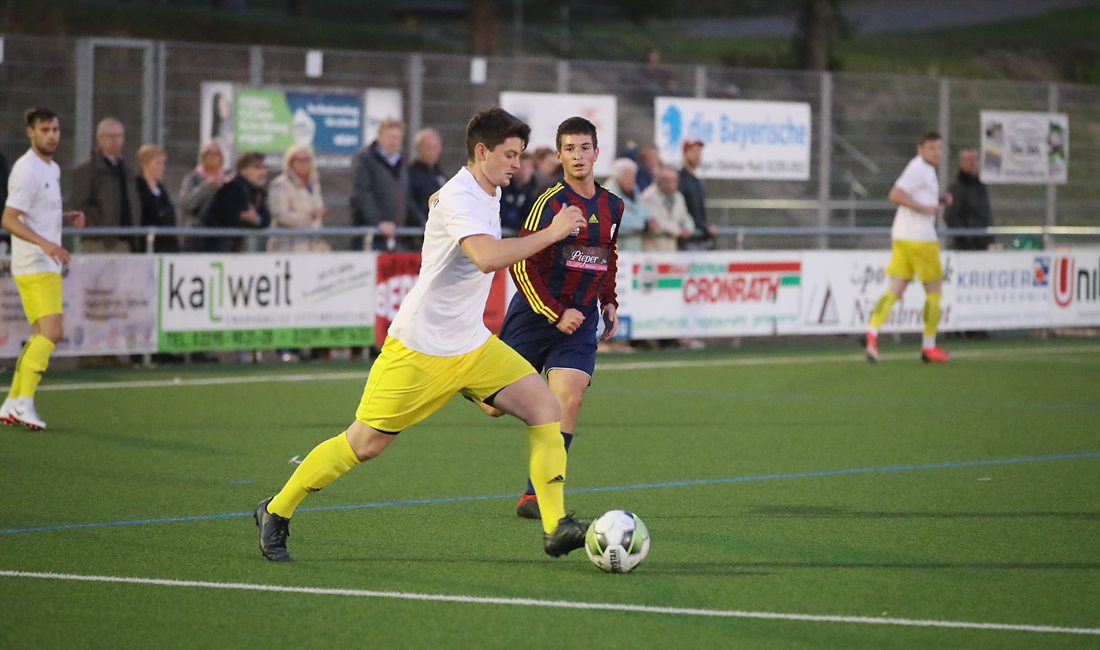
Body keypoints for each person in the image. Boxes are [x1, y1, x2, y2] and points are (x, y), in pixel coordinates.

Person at [254, 107, 590, 563]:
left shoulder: (482, 190)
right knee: (364, 444)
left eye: (520, 155)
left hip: (472, 345)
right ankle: (276, 510)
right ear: (482, 151)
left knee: (546, 409)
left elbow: (447, 207)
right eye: (510, 155)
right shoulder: (460, 196)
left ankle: (555, 527)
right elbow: (487, 257)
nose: (517, 163)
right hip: (420, 348)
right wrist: (552, 233)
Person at [474, 116, 623, 520]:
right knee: (491, 406)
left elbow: (607, 255)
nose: (578, 156)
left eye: (584, 148)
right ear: (559, 155)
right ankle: (465, 376)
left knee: (569, 398)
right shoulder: (549, 203)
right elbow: (522, 265)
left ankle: (535, 496)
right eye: (569, 149)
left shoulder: (613, 205)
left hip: (580, 321)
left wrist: (608, 300)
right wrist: (556, 313)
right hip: (536, 315)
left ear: (596, 152)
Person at [0, 108, 85, 430]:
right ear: (30, 133)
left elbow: (37, 213)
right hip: (35, 263)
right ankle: (25, 403)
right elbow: (9, 219)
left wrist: (65, 218)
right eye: (45, 130)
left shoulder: (52, 168)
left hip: (44, 263)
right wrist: (46, 244)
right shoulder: (26, 170)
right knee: (52, 332)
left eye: (55, 129)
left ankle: (12, 403)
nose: (52, 135)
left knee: (40, 334)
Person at [865, 131, 953, 364]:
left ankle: (871, 334)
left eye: (939, 148)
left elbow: (915, 197)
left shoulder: (923, 169)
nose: (937, 152)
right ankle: (929, 347)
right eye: (932, 148)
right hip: (921, 239)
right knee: (934, 292)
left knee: (894, 290)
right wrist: (924, 209)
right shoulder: (918, 169)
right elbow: (896, 195)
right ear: (920, 149)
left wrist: (937, 201)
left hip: (902, 237)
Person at [71, 118, 140, 253]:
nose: (116, 140)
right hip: (98, 243)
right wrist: (99, 229)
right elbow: (80, 206)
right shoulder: (87, 169)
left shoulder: (127, 171)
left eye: (119, 136)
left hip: (126, 242)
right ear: (99, 138)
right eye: (111, 136)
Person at [350, 118, 411, 251]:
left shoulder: (403, 162)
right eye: (390, 137)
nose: (394, 141)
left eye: (397, 138)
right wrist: (378, 222)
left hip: (397, 235)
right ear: (380, 136)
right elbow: (363, 193)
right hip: (371, 236)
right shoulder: (366, 159)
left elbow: (407, 197)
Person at [197, 151, 271, 254]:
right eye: (257, 167)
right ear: (244, 170)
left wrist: (256, 219)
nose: (263, 172)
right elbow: (230, 218)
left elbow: (266, 218)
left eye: (264, 168)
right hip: (217, 247)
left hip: (233, 248)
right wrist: (245, 218)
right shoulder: (232, 187)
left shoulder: (258, 190)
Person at [266, 144, 329, 253]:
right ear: (290, 162)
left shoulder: (314, 183)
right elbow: (280, 215)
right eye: (300, 160)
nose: (304, 164)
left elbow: (317, 210)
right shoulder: (280, 184)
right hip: (288, 246)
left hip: (312, 245)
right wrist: (309, 216)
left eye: (307, 160)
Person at [943, 148, 993, 251]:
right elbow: (950, 216)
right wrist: (966, 238)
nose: (973, 163)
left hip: (983, 244)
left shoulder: (980, 187)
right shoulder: (957, 188)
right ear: (961, 163)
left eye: (975, 159)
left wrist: (989, 239)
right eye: (969, 160)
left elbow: (985, 215)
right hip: (965, 248)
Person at [134, 144, 179, 253]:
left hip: (166, 246)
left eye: (163, 163)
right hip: (145, 246)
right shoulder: (137, 188)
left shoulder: (162, 190)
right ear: (145, 165)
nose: (162, 167)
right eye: (158, 163)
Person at [641, 164, 694, 252]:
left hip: (671, 247)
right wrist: (679, 231)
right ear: (658, 180)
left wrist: (688, 228)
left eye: (674, 180)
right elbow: (657, 221)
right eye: (667, 180)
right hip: (653, 247)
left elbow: (684, 216)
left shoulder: (678, 196)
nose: (671, 184)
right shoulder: (649, 196)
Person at [178, 140, 226, 233]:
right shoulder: (193, 178)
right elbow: (186, 203)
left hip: (222, 232)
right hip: (197, 231)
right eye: (209, 153)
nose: (213, 157)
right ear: (203, 156)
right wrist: (207, 185)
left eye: (217, 154)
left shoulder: (227, 179)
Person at [678, 139, 719, 250]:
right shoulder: (680, 179)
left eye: (699, 151)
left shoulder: (697, 181)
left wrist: (705, 227)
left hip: (699, 237)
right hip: (686, 238)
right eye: (693, 151)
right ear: (685, 154)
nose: (698, 155)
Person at [604, 157, 649, 252]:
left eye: (633, 176)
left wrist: (648, 221)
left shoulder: (634, 190)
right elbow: (619, 219)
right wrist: (642, 223)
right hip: (617, 247)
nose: (632, 180)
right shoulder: (607, 194)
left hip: (635, 245)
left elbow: (644, 211)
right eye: (628, 176)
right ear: (618, 177)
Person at [406, 127, 447, 230]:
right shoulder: (409, 173)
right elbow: (408, 202)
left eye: (435, 147)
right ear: (418, 148)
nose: (432, 152)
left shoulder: (441, 175)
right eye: (428, 147)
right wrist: (422, 222)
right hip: (418, 231)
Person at [500, 150, 537, 233]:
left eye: (528, 167)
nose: (524, 171)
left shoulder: (536, 190)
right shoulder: (502, 188)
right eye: (521, 167)